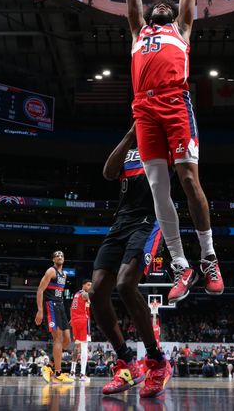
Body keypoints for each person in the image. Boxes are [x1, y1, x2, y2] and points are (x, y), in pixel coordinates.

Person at [126, 0, 224, 303]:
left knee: (187, 178)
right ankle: (181, 264)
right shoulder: (138, 32)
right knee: (157, 188)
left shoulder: (181, 29)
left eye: (168, 4)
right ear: (151, 14)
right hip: (144, 108)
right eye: (158, 5)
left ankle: (209, 256)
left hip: (174, 102)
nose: (163, 5)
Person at [91, 124, 170, 398]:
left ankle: (157, 362)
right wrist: (128, 135)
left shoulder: (166, 146)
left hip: (150, 220)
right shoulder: (129, 151)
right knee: (97, 289)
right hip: (121, 222)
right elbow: (108, 173)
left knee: (125, 285)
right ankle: (127, 363)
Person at [34, 251, 74, 384]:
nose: (60, 257)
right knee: (58, 338)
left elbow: (61, 294)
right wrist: (40, 311)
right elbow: (40, 290)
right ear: (53, 259)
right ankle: (58, 373)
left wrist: (67, 314)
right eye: (57, 255)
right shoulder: (51, 271)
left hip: (61, 306)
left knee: (67, 340)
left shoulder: (65, 274)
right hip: (51, 305)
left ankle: (49, 366)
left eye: (62, 255)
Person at [69, 279, 92, 381]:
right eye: (88, 285)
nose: (90, 287)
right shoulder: (84, 294)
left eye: (91, 285)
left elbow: (73, 308)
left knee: (77, 346)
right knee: (84, 347)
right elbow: (88, 296)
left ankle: (72, 372)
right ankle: (82, 374)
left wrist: (72, 318)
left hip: (75, 320)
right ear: (83, 285)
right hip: (83, 321)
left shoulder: (76, 294)